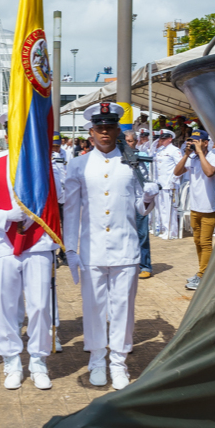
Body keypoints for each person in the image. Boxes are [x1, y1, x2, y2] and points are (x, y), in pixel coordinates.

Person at [63, 102, 159, 390]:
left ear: (117, 130)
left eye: (109, 128)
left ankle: (118, 361)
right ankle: (96, 360)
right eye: (99, 129)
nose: (105, 133)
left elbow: (140, 209)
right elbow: (71, 209)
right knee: (93, 307)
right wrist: (70, 249)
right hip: (92, 249)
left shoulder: (132, 162)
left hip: (125, 248)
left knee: (122, 308)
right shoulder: (78, 164)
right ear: (90, 132)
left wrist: (148, 198)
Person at [0, 118, 58, 391]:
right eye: (14, 130)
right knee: (7, 306)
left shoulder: (45, 164)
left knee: (39, 306)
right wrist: (5, 216)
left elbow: (62, 200)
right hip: (3, 245)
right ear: (6, 132)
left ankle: (37, 359)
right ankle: (11, 360)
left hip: (39, 242)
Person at [173, 128, 215, 290]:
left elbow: (209, 172)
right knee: (197, 242)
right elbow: (177, 172)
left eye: (197, 141)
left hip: (210, 207)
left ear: (206, 143)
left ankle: (203, 275)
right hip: (195, 207)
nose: (194, 144)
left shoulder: (214, 158)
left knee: (206, 242)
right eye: (192, 141)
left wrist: (201, 153)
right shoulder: (192, 158)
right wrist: (187, 154)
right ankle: (203, 272)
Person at [124, 130, 153, 279]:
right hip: (124, 202)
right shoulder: (119, 159)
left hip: (140, 199)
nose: (128, 144)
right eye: (126, 141)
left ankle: (145, 265)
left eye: (131, 141)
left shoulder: (143, 157)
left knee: (142, 234)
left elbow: (147, 177)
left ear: (136, 142)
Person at [153, 129, 182, 240]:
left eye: (164, 138)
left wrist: (173, 180)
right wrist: (155, 143)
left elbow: (180, 166)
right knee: (162, 208)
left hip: (170, 184)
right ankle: (165, 229)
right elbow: (151, 152)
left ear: (170, 139)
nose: (162, 140)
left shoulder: (175, 150)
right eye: (161, 138)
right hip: (160, 183)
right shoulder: (160, 150)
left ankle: (171, 231)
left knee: (170, 209)